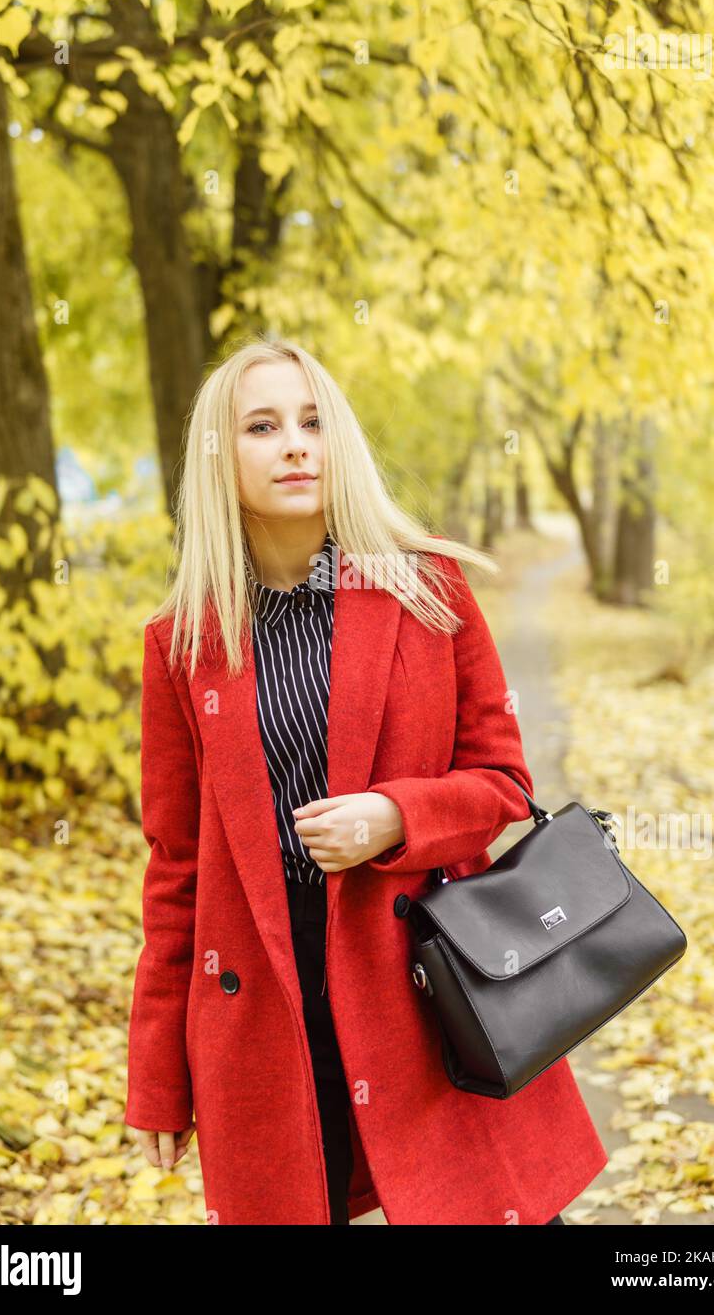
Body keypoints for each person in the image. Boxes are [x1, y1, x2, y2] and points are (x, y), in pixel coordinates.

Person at [124, 336, 608, 1224]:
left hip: (417, 990)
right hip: (268, 1009)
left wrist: (395, 816)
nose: (295, 444)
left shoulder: (426, 590)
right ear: (217, 460)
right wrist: (157, 1074)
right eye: (262, 426)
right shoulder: (183, 643)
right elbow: (176, 868)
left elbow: (503, 782)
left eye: (312, 422)